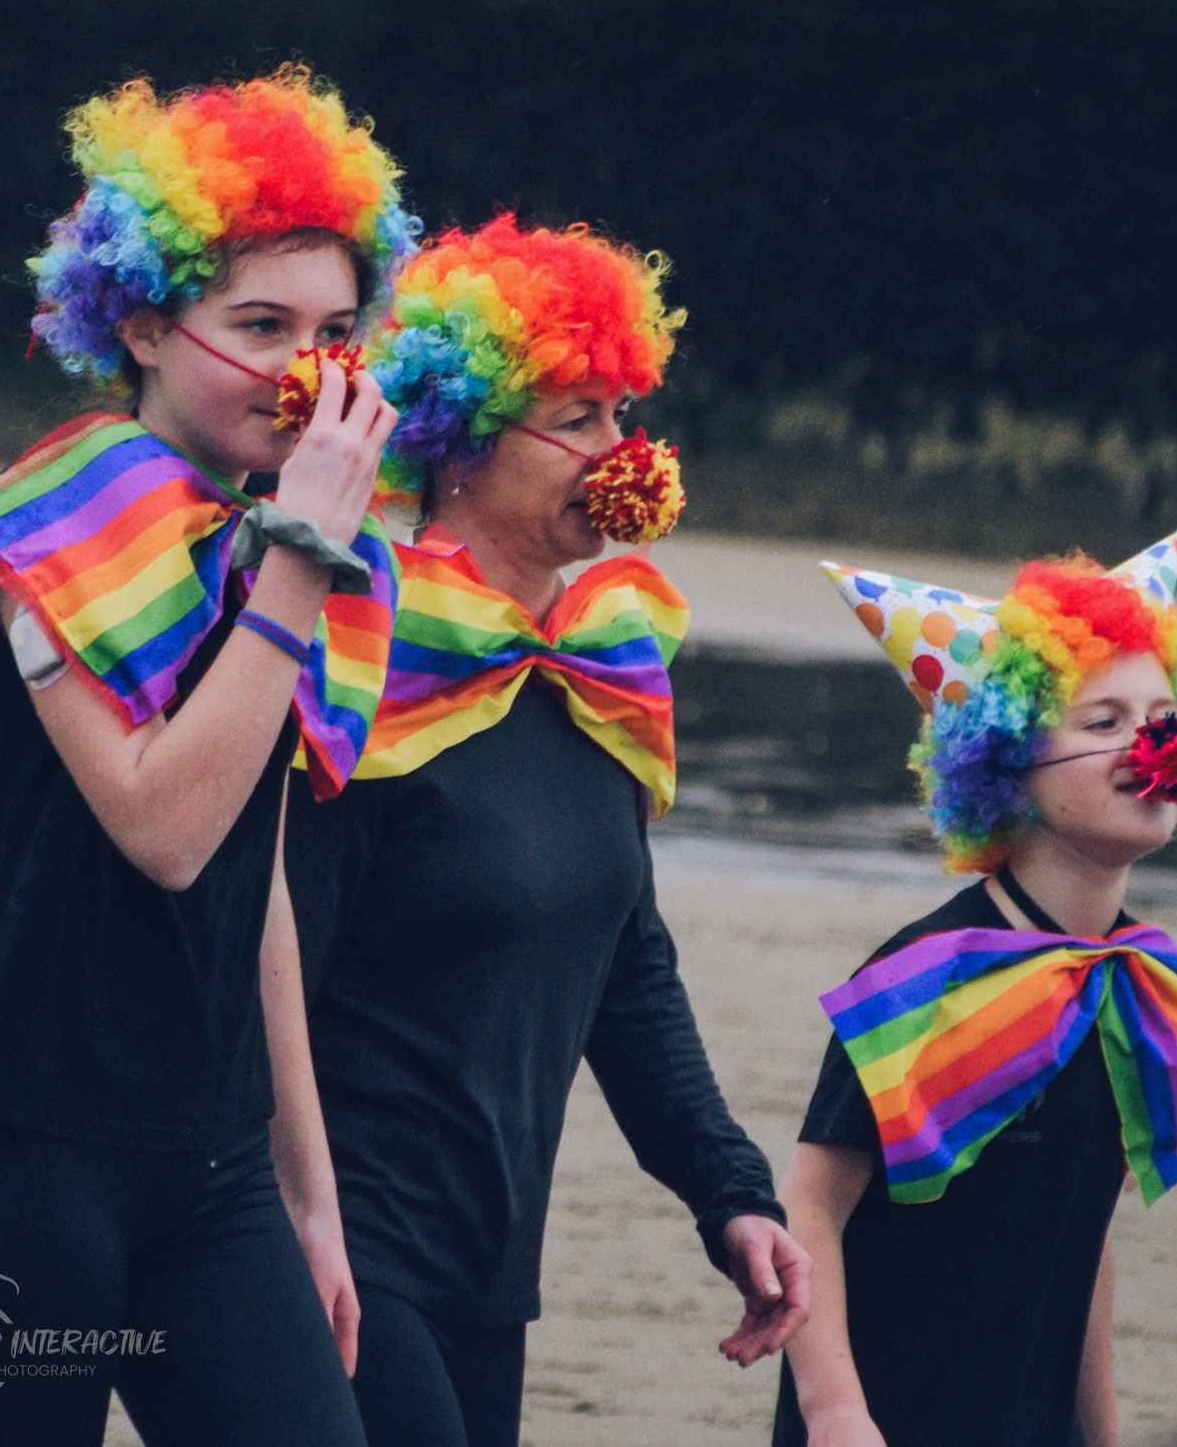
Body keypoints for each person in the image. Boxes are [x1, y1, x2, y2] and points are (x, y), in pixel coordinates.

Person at [0, 70, 416, 1444]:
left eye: (340, 331)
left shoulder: (257, 533)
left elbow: (256, 874)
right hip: (15, 1163)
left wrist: (311, 1188)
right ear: (150, 324)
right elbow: (164, 829)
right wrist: (300, 556)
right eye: (262, 324)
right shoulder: (57, 515)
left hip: (215, 1170)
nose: (309, 370)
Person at [284, 217, 811, 1447]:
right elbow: (263, 971)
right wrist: (286, 1217)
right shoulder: (363, 655)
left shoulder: (595, 669)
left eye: (625, 417)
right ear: (458, 440)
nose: (624, 455)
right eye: (578, 420)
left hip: (488, 1261)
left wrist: (727, 1193)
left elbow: (626, 962)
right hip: (337, 1241)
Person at [775, 538, 1177, 1447]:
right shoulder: (927, 977)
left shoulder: (1136, 987)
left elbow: (1082, 1236)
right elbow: (809, 1204)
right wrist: (836, 1410)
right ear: (1007, 769)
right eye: (1102, 720)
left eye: (1160, 714)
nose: (1148, 742)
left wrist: (1103, 1434)